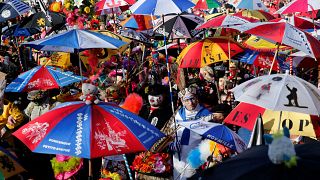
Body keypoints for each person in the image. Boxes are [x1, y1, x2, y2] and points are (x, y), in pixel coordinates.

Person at [171, 86, 212, 179]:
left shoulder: (205, 114)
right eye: (187, 100)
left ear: (197, 98)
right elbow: (170, 133)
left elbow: (210, 138)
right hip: (178, 157)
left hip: (195, 157)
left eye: (193, 99)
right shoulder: (178, 114)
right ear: (182, 101)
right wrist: (171, 144)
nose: (191, 103)